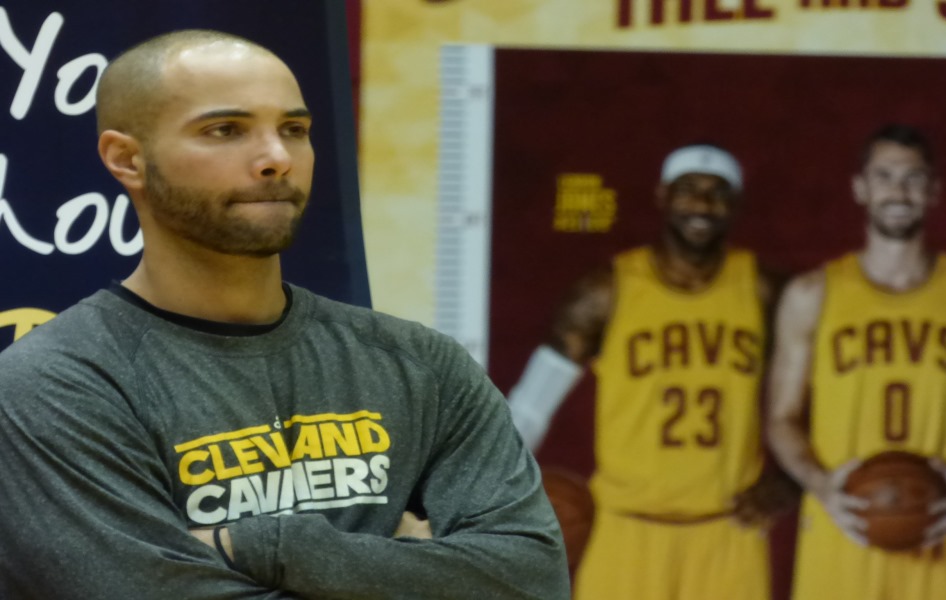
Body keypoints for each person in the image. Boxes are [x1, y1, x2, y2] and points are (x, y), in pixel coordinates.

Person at [0, 29, 570, 600]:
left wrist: (267, 547)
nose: (277, 158)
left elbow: (532, 580)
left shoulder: (422, 366)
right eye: (226, 130)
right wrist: (411, 563)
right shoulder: (55, 386)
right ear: (127, 159)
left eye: (294, 130)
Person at [507, 144, 796, 600]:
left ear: (736, 204)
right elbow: (532, 403)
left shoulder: (764, 290)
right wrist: (484, 487)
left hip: (728, 527)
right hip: (625, 525)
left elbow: (821, 390)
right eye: (688, 191)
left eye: (717, 193)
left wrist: (792, 477)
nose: (702, 204)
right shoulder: (607, 290)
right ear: (662, 196)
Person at [767, 123, 946, 600]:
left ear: (935, 190)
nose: (898, 191)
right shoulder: (812, 293)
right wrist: (822, 485)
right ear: (861, 187)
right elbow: (781, 419)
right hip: (841, 529)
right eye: (885, 176)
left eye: (914, 178)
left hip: (941, 529)